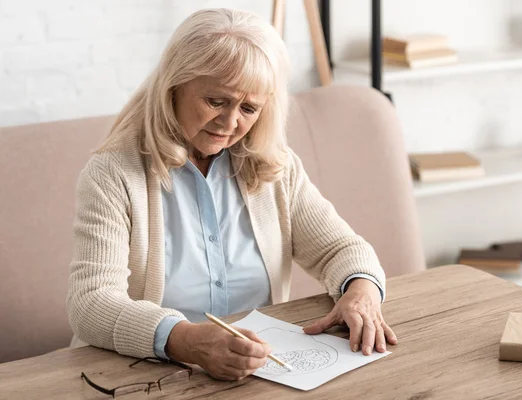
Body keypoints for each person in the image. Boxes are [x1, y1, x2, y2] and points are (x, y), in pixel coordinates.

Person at [67, 8, 396, 382]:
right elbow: (91, 302)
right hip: (138, 379)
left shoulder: (275, 167)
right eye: (216, 101)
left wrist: (361, 291)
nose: (230, 122)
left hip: (255, 377)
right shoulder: (113, 173)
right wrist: (185, 340)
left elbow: (340, 249)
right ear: (174, 87)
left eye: (249, 108)